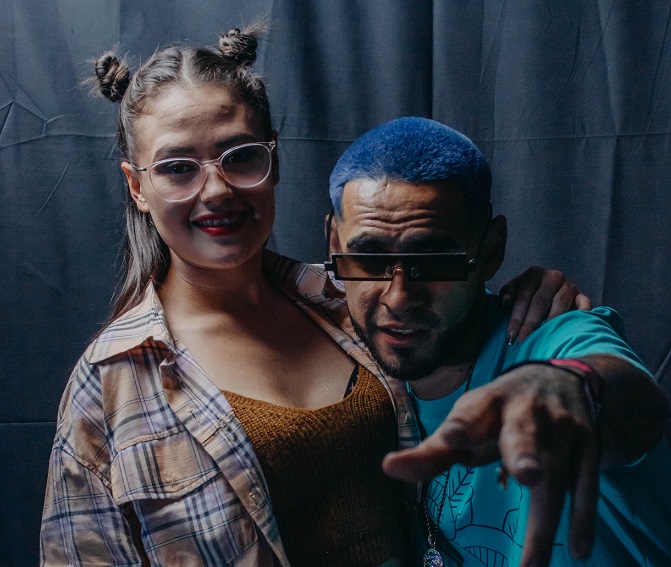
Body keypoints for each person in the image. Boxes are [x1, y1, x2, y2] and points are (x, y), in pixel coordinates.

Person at [39, 28, 587, 567]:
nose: (217, 190)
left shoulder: (349, 300)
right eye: (177, 168)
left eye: (240, 156)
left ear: (273, 159)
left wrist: (534, 299)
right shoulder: (112, 379)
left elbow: (458, 319)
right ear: (137, 186)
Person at [324, 116, 671, 566]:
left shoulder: (554, 336)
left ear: (490, 251)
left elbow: (631, 400)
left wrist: (577, 388)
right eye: (369, 259)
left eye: (437, 259)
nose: (398, 297)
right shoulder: (346, 358)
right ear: (334, 244)